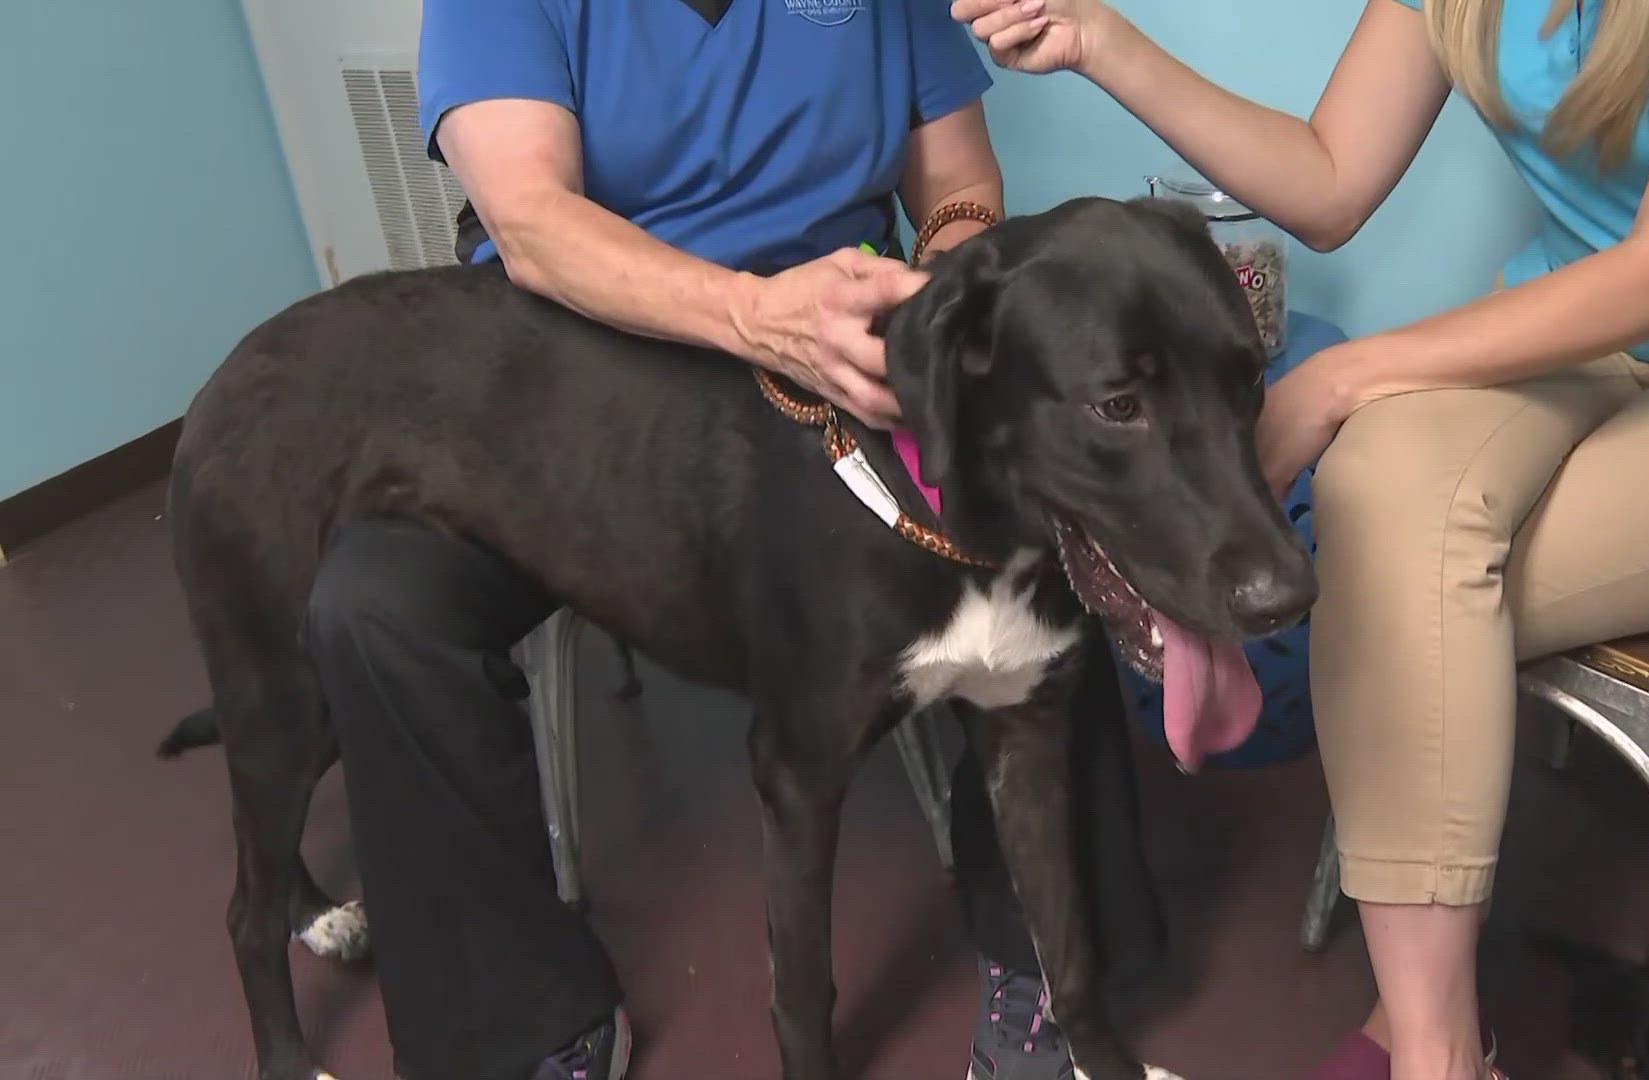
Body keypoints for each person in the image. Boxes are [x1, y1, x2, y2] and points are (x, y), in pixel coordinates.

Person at [949, 0, 1649, 1077]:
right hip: (1574, 331)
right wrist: (1103, 42)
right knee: (1378, 492)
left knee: (1406, 576)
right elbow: (1327, 181)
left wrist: (1339, 377)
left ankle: (1425, 1056)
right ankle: (1445, 1043)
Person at [303, 2, 1166, 1079]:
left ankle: (1043, 967)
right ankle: (517, 1020)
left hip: (838, 366)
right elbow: (529, 220)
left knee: (1050, 521)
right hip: (576, 381)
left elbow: (957, 189)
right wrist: (756, 314)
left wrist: (939, 288)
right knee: (375, 607)